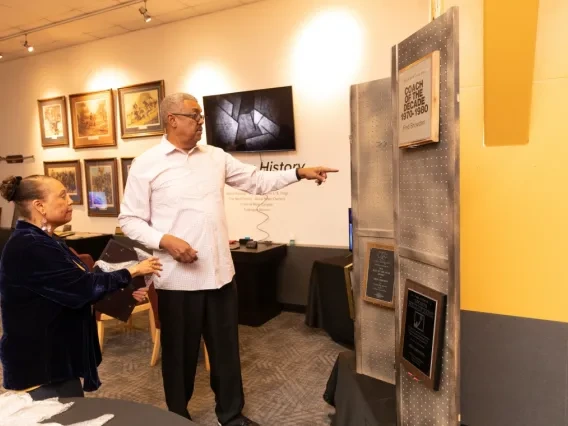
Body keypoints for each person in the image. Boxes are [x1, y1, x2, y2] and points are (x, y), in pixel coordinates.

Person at [119, 92, 337, 425]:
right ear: (171, 119)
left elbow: (257, 181)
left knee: (226, 354)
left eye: (201, 116)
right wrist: (165, 240)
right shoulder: (146, 164)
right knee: (179, 357)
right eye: (195, 116)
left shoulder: (216, 156)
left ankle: (231, 415)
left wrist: (299, 172)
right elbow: (129, 220)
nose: (201, 122)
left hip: (220, 276)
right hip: (176, 281)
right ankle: (177, 416)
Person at [0, 174, 163, 400]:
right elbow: (82, 287)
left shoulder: (45, 240)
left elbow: (69, 287)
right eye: (62, 196)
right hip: (40, 365)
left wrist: (121, 293)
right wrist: (133, 271)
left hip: (57, 360)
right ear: (40, 206)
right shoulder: (30, 246)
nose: (70, 201)